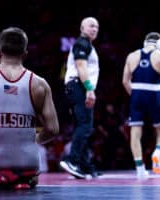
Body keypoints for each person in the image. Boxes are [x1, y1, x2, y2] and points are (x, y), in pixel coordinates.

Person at [0, 27, 59, 189]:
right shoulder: (40, 84)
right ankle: (23, 179)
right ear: (25, 54)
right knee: (34, 178)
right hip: (27, 161)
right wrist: (32, 141)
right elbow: (52, 129)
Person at [122, 32, 160, 179]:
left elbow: (125, 81)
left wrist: (134, 96)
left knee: (135, 132)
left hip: (137, 93)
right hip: (154, 93)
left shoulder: (131, 56)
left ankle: (140, 169)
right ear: (159, 44)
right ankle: (157, 152)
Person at [59, 17, 100, 179]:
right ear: (82, 28)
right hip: (79, 86)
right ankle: (72, 161)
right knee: (85, 125)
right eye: (91, 26)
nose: (94, 29)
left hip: (75, 87)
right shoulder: (82, 43)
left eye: (96, 27)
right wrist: (89, 89)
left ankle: (85, 166)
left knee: (81, 126)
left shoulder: (87, 44)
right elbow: (81, 66)